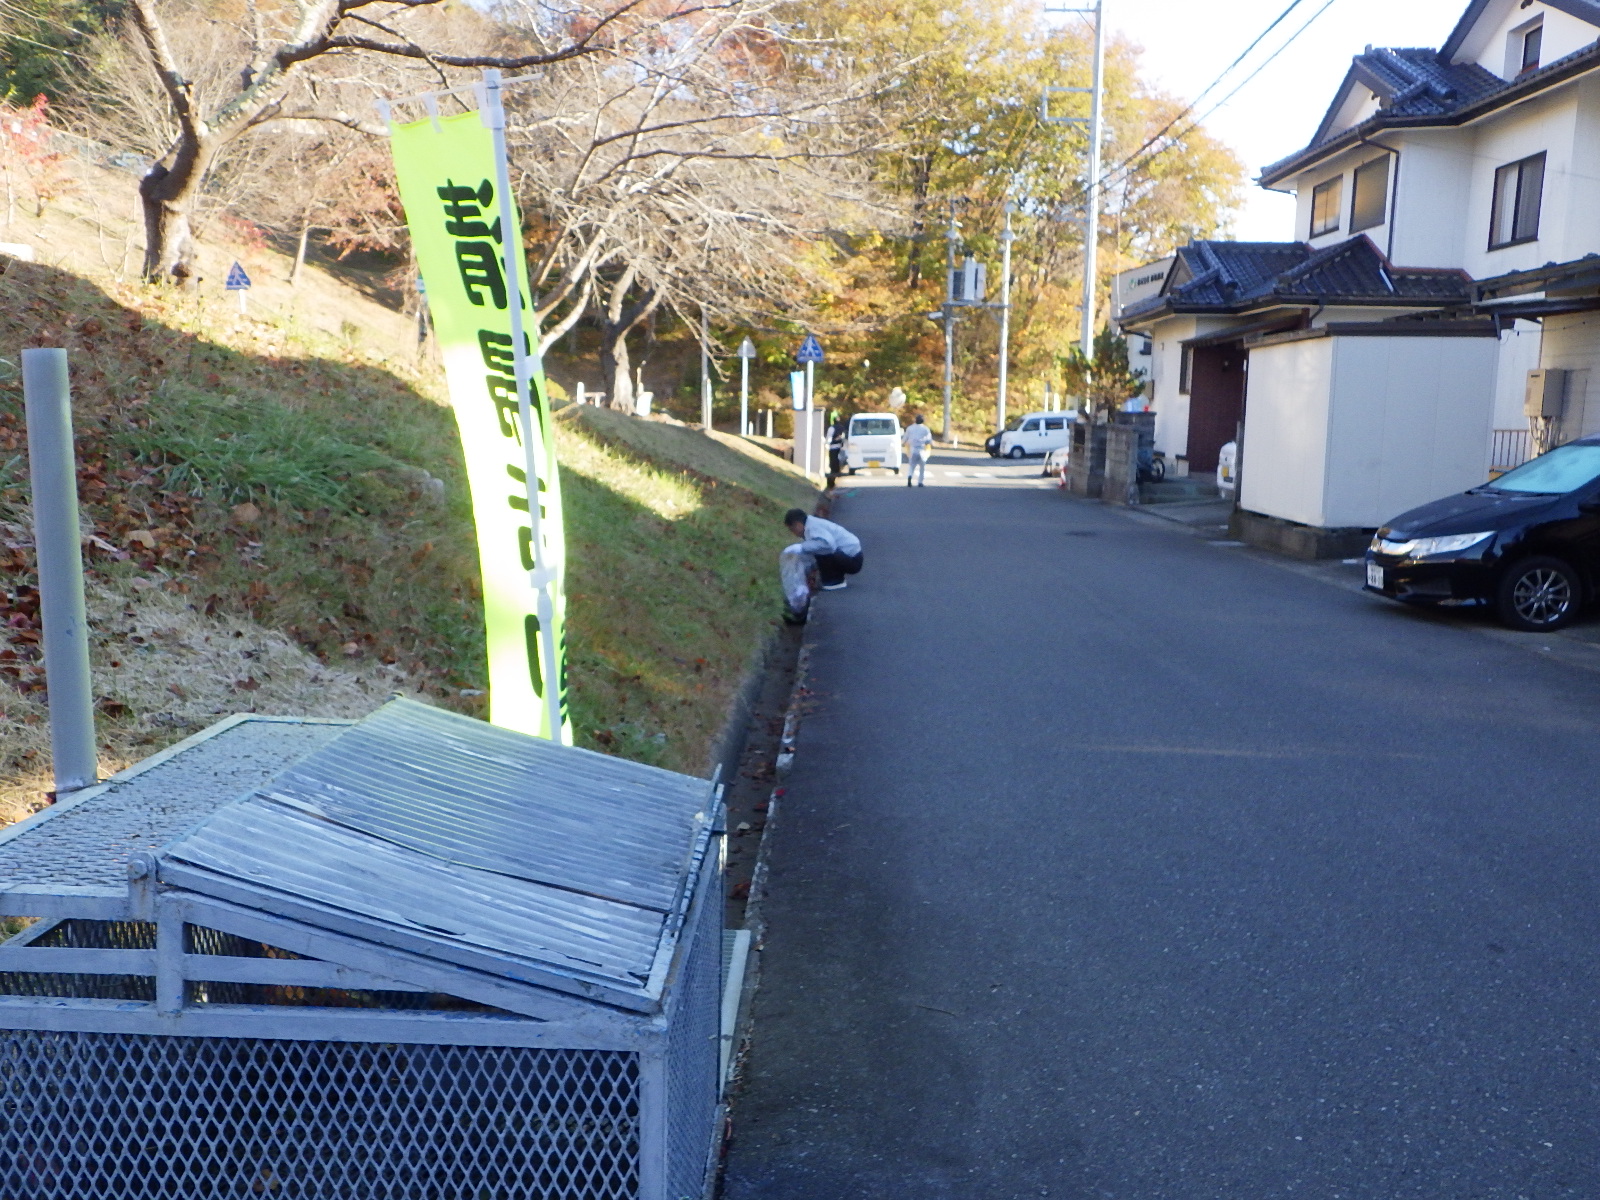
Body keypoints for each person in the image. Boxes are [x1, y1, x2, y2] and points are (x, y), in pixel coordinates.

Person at [784, 507, 862, 590]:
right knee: (815, 550)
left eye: (792, 529)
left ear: (797, 524)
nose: (793, 533)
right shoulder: (812, 524)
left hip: (853, 559)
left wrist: (801, 547)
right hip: (850, 555)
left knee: (821, 551)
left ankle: (835, 580)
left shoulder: (813, 527)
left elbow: (828, 544)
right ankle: (832, 578)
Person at [903, 414, 933, 487]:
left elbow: (905, 439)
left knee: (912, 465)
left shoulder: (910, 428)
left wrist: (903, 443)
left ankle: (910, 476)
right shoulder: (925, 429)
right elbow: (929, 440)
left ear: (915, 420)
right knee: (922, 467)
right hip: (922, 449)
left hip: (913, 449)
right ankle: (920, 482)